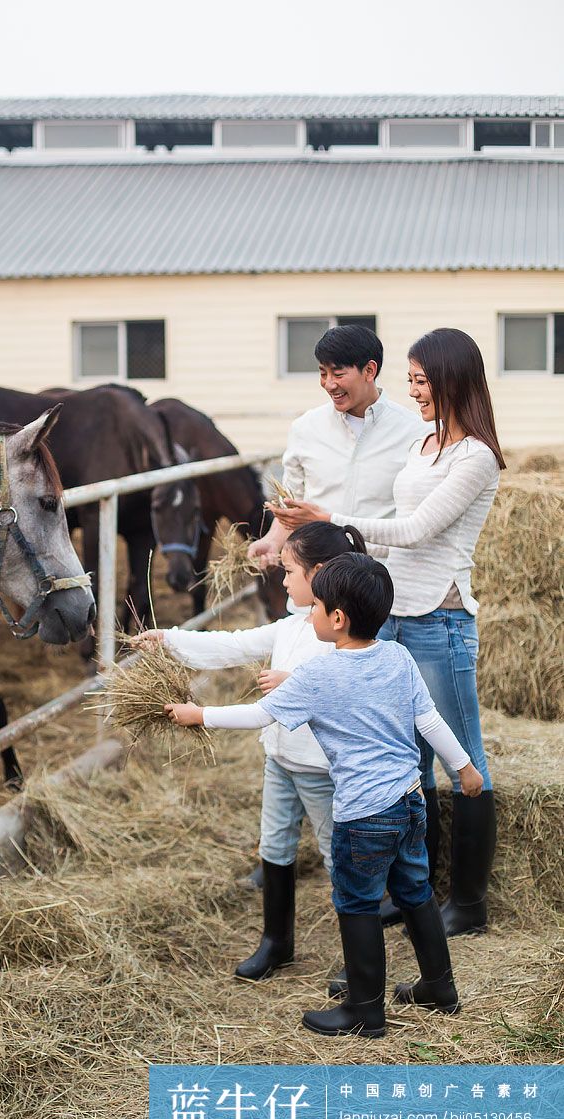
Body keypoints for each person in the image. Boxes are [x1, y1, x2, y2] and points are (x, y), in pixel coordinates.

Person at [164, 553, 483, 1039]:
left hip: (361, 814)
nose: (307, 613)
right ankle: (440, 987)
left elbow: (257, 715)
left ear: (337, 618)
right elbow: (430, 721)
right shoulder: (398, 657)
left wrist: (198, 714)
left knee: (356, 903)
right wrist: (464, 768)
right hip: (409, 801)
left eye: (314, 606)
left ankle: (365, 1010)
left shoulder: (318, 675)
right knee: (415, 892)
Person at [270, 328, 504, 939]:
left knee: (463, 757)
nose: (414, 391)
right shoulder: (425, 443)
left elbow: (419, 528)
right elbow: (391, 523)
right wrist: (316, 538)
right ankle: (415, 891)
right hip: (400, 612)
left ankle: (470, 904)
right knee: (410, 760)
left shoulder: (474, 456)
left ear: (453, 379)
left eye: (422, 380)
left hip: (441, 616)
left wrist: (333, 520)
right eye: (411, 381)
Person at [132, 522, 367, 982]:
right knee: (275, 847)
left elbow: (338, 687)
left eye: (289, 572)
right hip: (280, 759)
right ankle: (276, 942)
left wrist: (291, 684)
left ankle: (358, 960)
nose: (282, 581)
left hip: (322, 768)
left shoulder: (345, 636)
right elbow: (234, 646)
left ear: (319, 574)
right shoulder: (292, 626)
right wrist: (171, 639)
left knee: (339, 857)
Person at [248, 324, 424, 572]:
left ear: (369, 370)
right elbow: (293, 500)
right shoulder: (305, 428)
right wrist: (272, 541)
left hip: (383, 581)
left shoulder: (414, 433)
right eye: (323, 373)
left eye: (338, 374)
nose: (329, 384)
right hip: (316, 578)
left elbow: (417, 522)